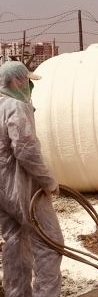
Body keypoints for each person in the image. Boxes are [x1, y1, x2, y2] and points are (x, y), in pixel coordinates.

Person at [0, 61, 64, 296]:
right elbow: (26, 150)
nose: (29, 86)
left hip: (2, 189)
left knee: (14, 242)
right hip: (22, 187)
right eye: (27, 81)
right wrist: (47, 180)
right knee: (50, 243)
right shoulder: (17, 107)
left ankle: (16, 293)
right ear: (17, 81)